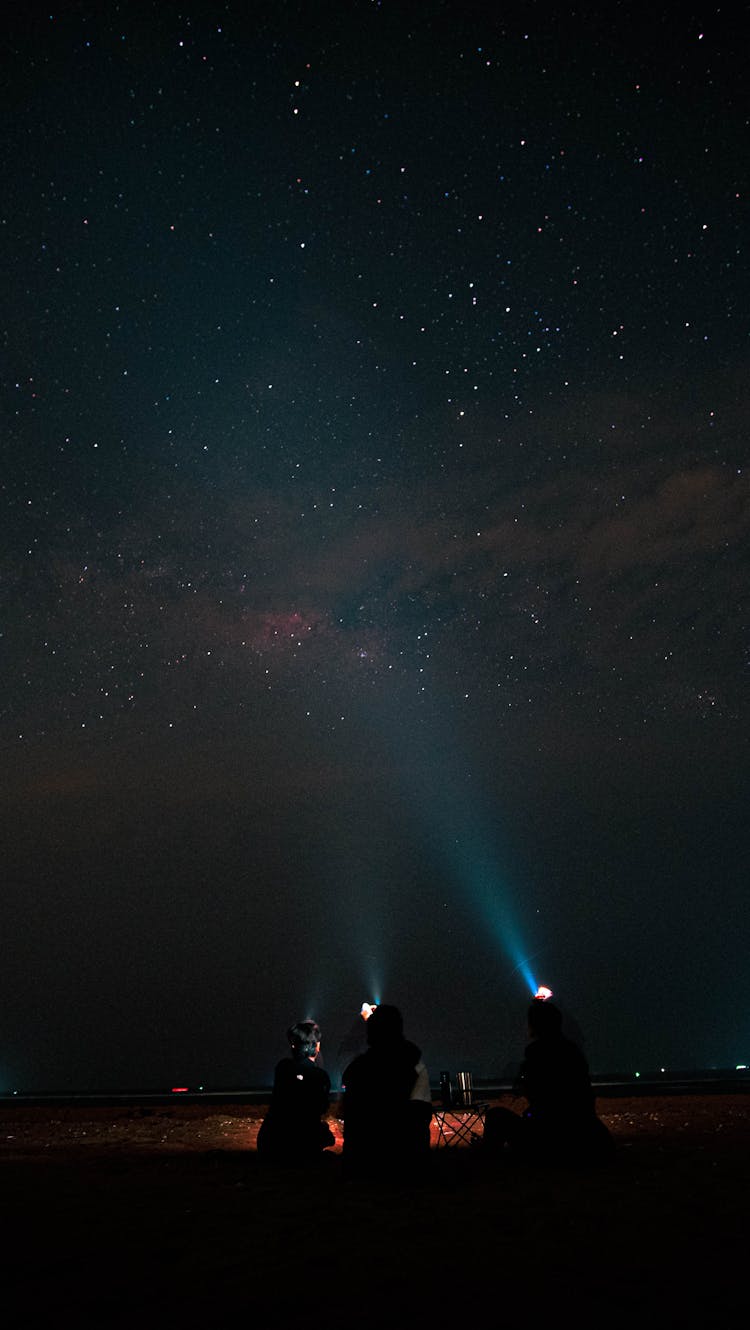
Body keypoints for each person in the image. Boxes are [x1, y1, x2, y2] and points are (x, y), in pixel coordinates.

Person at [483, 997, 613, 1164]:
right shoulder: (572, 1051)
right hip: (589, 1135)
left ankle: (489, 1159)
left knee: (496, 1115)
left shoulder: (537, 1052)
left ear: (535, 1025)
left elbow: (541, 1100)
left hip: (553, 1138)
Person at [342, 1003, 433, 1177]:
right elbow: (422, 1111)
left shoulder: (358, 1069)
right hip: (405, 1158)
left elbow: (352, 1115)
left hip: (363, 1161)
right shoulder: (414, 1061)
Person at [256, 1019, 336, 1164]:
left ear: (293, 1046)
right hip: (299, 1143)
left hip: (270, 1142)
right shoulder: (319, 1075)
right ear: (316, 1046)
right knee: (327, 1136)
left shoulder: (283, 1067)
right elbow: (321, 1107)